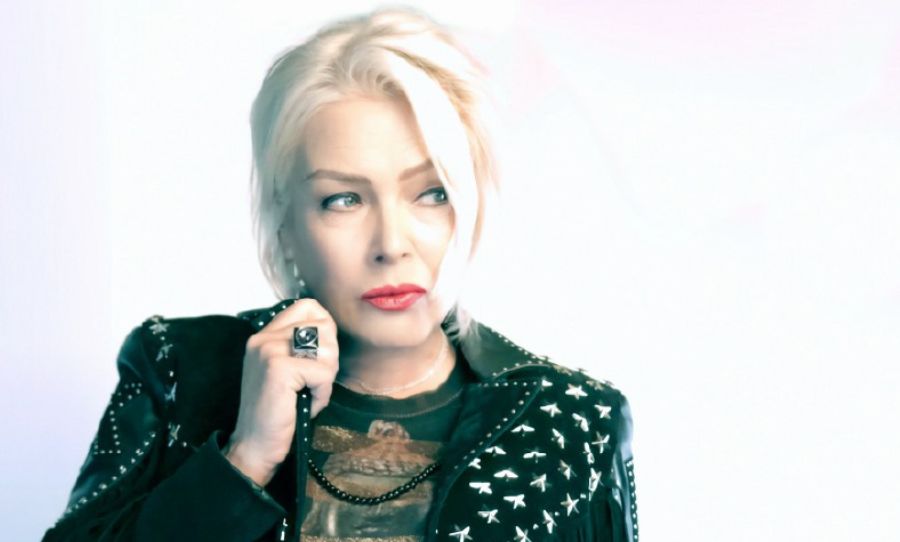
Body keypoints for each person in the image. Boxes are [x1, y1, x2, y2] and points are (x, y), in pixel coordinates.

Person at [42, 6, 638, 542]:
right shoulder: (181, 372)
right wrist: (246, 457)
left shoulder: (572, 420)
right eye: (343, 200)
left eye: (431, 193)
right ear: (285, 227)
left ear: (471, 207)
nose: (392, 244)